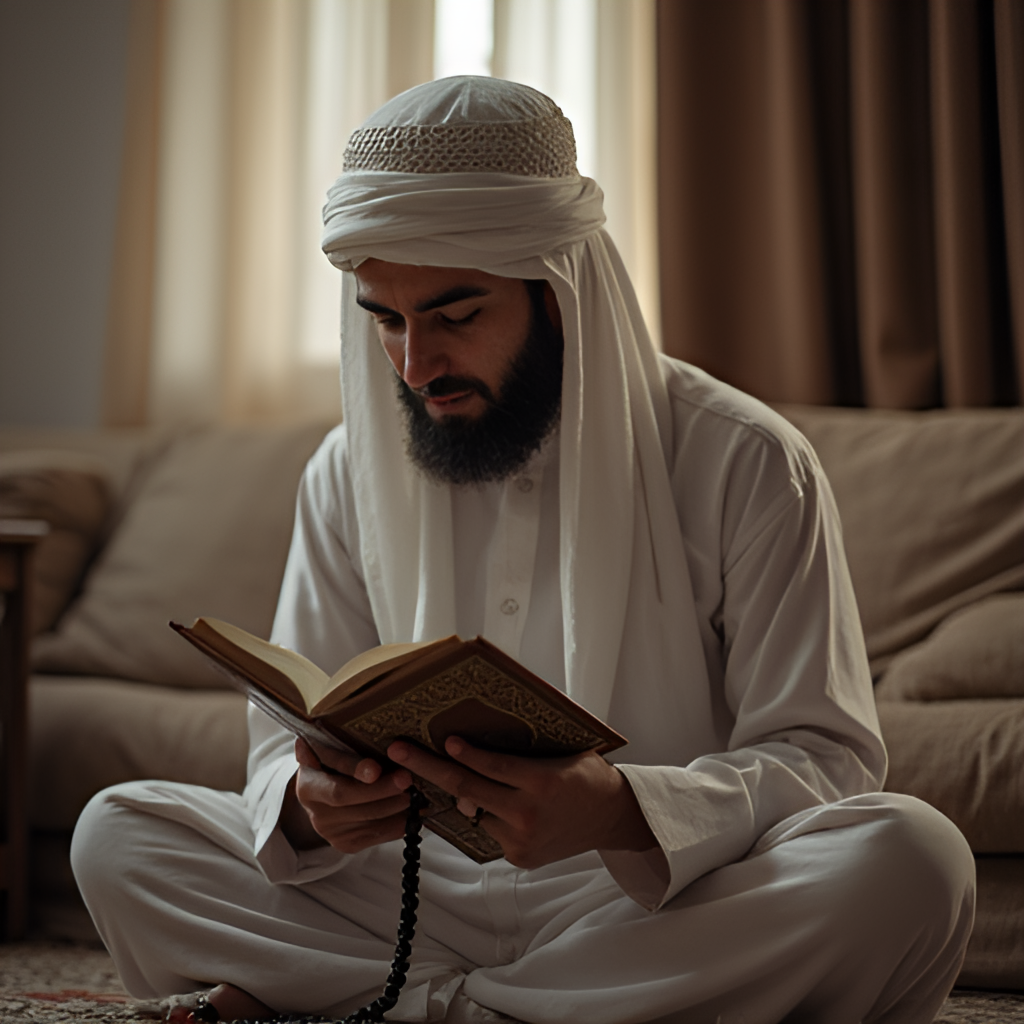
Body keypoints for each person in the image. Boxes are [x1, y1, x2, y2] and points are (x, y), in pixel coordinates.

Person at [71, 77, 975, 1024]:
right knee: (118, 835)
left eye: (456, 316)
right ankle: (532, 1011)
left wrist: (623, 810)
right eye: (385, 320)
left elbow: (823, 758)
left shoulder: (745, 460)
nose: (416, 366)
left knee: (911, 860)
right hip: (411, 895)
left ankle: (391, 1009)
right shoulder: (345, 470)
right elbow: (285, 745)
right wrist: (309, 806)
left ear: (561, 295)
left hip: (647, 900)